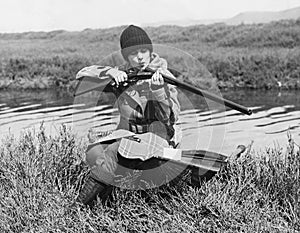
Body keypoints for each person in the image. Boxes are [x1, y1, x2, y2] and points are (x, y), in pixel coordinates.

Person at [76, 25, 181, 206]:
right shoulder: (124, 73)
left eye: (144, 51)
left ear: (150, 52)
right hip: (127, 133)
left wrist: (158, 92)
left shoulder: (164, 77)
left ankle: (79, 208)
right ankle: (106, 201)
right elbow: (82, 75)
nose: (140, 57)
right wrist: (110, 72)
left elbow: (170, 119)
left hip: (158, 136)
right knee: (94, 152)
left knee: (112, 152)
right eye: (133, 53)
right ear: (126, 56)